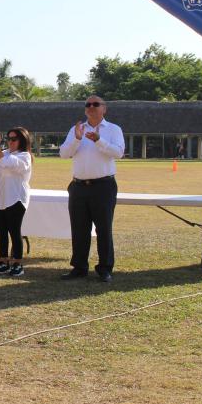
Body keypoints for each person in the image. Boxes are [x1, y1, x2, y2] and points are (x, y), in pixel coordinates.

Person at [59, 95, 125, 282]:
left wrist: (99, 140)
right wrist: (77, 140)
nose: (91, 107)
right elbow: (64, 154)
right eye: (88, 104)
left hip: (103, 186)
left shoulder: (113, 129)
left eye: (96, 104)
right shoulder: (76, 129)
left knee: (104, 228)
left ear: (104, 108)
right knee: (79, 228)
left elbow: (118, 152)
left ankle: (105, 268)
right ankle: (79, 267)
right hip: (78, 186)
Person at [0, 126, 33, 277]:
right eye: (8, 139)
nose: (10, 142)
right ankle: (3, 261)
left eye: (14, 139)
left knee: (14, 231)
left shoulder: (25, 156)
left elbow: (7, 163)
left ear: (22, 140)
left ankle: (17, 263)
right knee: (1, 232)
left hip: (16, 199)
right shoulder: (2, 153)